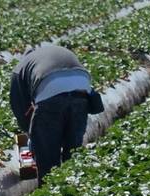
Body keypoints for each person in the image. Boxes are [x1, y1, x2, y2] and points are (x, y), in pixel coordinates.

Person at [9, 44, 102, 182]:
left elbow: (20, 108)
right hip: (82, 88)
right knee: (72, 151)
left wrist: (30, 136)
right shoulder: (51, 53)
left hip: (50, 90)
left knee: (47, 157)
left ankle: (49, 193)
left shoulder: (20, 69)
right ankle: (73, 190)